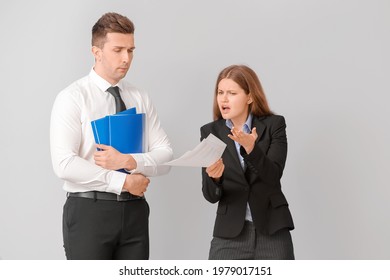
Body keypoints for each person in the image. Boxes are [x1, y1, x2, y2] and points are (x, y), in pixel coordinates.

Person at [50, 12, 173, 260]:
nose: (126, 58)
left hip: (135, 211)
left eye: (131, 50)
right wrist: (124, 182)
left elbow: (166, 155)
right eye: (118, 50)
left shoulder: (140, 97)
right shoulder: (72, 97)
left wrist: (129, 162)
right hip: (89, 212)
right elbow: (64, 164)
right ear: (97, 52)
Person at [201, 64, 295, 260]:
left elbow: (273, 176)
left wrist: (251, 149)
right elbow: (210, 195)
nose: (223, 99)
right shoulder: (210, 132)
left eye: (232, 93)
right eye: (220, 92)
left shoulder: (274, 125)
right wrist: (215, 179)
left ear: (250, 97)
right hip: (229, 234)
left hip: (272, 230)